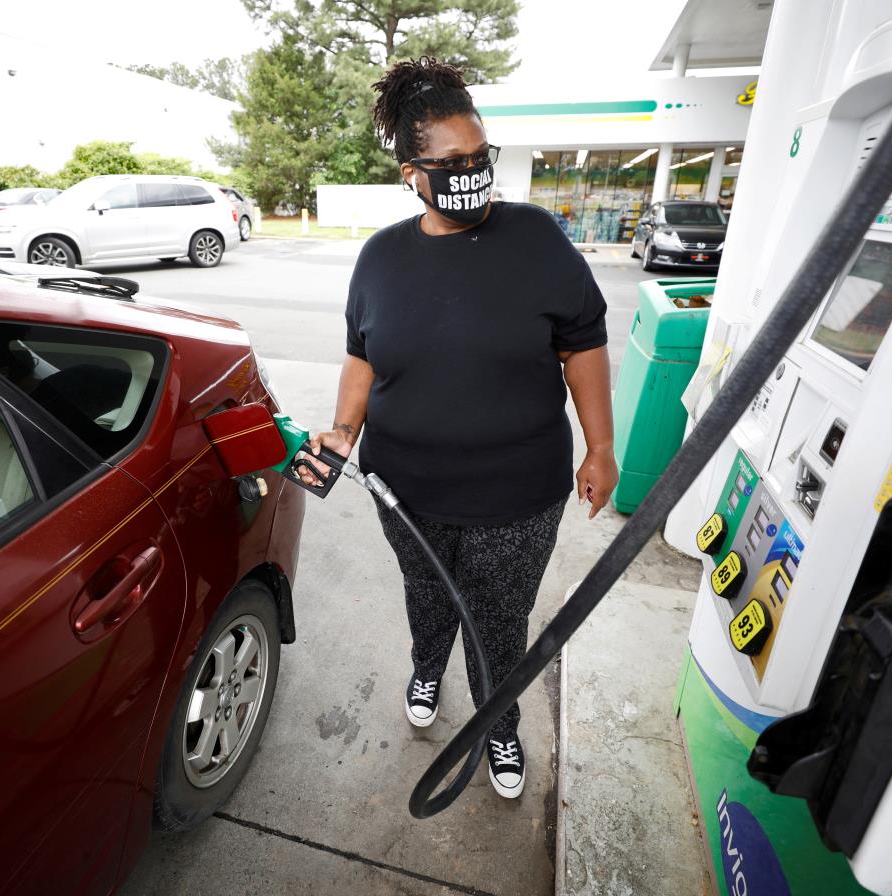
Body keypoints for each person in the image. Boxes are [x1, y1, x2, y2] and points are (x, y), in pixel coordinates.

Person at [304, 57, 618, 800]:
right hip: (402, 487)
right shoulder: (380, 257)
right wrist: (342, 433)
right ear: (412, 173)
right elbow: (361, 357)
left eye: (480, 158)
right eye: (450, 163)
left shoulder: (536, 237)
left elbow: (585, 342)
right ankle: (427, 665)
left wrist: (602, 447)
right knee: (427, 593)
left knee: (500, 616)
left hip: (518, 493)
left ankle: (498, 724)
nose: (470, 173)